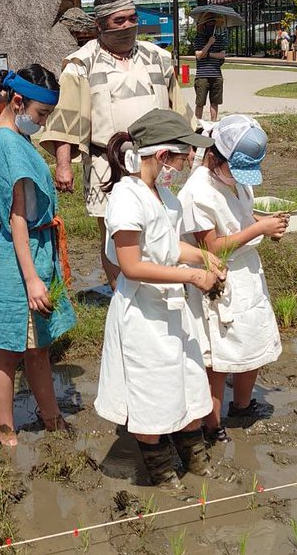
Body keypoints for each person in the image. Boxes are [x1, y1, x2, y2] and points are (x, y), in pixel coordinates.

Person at [95, 108, 223, 489]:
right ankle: (163, 473)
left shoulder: (166, 197)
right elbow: (131, 265)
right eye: (184, 158)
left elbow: (168, 249)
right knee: (151, 393)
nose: (186, 166)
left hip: (171, 307)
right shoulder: (126, 198)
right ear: (164, 155)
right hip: (141, 313)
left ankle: (195, 459)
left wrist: (203, 256)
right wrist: (192, 276)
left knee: (188, 383)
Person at [41, 0, 194, 287]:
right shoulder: (81, 63)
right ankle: (121, 292)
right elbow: (67, 118)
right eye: (119, 20)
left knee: (159, 221)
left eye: (133, 18)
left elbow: (179, 109)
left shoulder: (159, 58)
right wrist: (62, 165)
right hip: (105, 162)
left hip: (155, 159)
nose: (128, 26)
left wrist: (189, 147)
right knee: (114, 230)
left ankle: (154, 283)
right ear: (100, 25)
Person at [0, 65, 76, 446]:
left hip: (35, 250)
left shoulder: (6, 132)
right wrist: (33, 279)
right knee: (9, 351)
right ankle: (7, 432)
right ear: (18, 101)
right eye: (41, 115)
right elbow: (17, 217)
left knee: (39, 346)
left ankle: (50, 416)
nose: (43, 122)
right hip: (20, 257)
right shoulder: (9, 146)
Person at [179, 115, 287, 443]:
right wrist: (258, 229)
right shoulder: (198, 191)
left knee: (251, 337)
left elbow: (241, 213)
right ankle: (212, 423)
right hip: (218, 277)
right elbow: (211, 246)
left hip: (247, 273)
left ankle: (241, 405)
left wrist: (263, 221)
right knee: (219, 353)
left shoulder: (234, 178)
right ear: (215, 156)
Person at [192, 17, 227, 121]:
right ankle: (198, 123)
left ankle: (213, 123)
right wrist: (209, 43)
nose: (211, 25)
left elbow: (222, 55)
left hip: (216, 75)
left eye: (213, 23)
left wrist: (208, 55)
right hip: (202, 75)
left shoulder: (219, 39)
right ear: (204, 25)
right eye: (208, 23)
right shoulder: (199, 38)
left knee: (215, 102)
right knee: (200, 103)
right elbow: (198, 55)